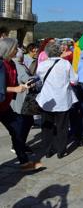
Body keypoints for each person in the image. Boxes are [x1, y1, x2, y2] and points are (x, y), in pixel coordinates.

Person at [0, 38, 43, 171]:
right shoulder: (1, 64)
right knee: (17, 129)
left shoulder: (11, 63)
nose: (18, 50)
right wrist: (16, 89)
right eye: (16, 47)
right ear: (8, 49)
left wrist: (23, 85)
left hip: (4, 107)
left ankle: (24, 163)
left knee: (17, 130)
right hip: (2, 104)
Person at [36, 42, 78, 159]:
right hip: (62, 99)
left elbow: (39, 79)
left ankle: (48, 150)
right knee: (62, 126)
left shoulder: (42, 65)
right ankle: (61, 150)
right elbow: (75, 79)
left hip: (47, 99)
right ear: (59, 51)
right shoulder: (66, 64)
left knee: (47, 126)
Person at [10, 48, 35, 153]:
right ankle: (18, 146)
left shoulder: (13, 63)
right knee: (25, 122)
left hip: (16, 98)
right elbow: (26, 79)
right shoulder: (19, 65)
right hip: (21, 98)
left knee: (24, 122)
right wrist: (35, 79)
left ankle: (18, 145)